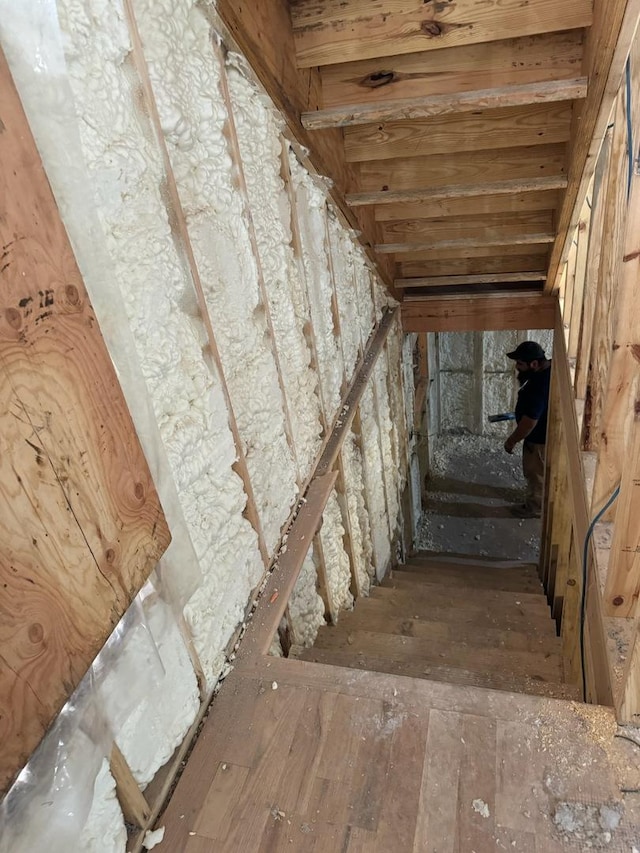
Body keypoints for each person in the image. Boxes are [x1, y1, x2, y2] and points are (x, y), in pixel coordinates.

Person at [503, 341, 552, 518]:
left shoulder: (539, 387)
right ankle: (538, 501)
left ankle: (535, 508)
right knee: (540, 473)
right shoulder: (549, 370)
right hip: (545, 436)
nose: (517, 367)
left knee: (535, 474)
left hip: (538, 440)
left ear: (534, 364)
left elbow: (529, 422)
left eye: (520, 364)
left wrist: (512, 440)